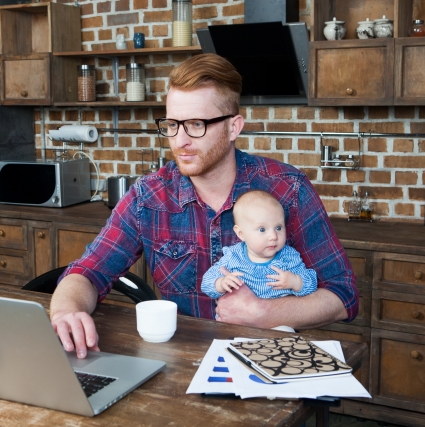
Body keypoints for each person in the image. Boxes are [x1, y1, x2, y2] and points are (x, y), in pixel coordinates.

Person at [50, 53, 358, 359]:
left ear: (234, 127)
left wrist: (266, 312)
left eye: (196, 124)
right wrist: (66, 311)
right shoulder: (149, 197)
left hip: (266, 360)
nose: (180, 140)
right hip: (182, 365)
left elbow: (343, 296)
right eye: (172, 124)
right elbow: (89, 272)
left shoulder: (288, 189)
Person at [201, 190, 317, 303]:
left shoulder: (288, 256)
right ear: (241, 233)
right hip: (238, 320)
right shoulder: (233, 256)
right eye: (262, 229)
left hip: (277, 319)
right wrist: (220, 283)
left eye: (278, 227)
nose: (273, 236)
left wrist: (296, 282)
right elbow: (206, 283)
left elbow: (311, 284)